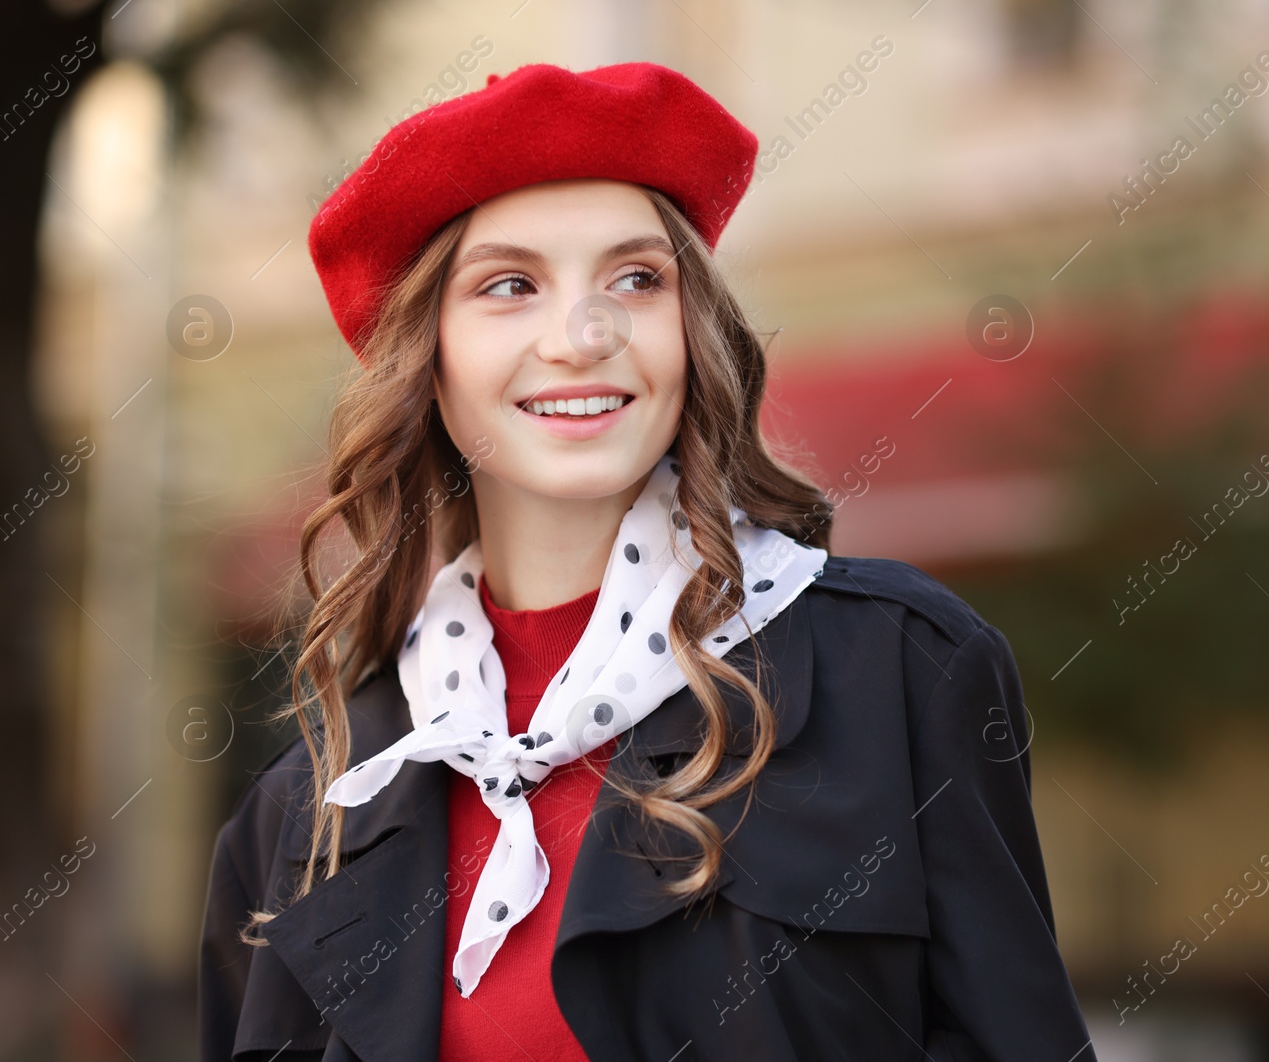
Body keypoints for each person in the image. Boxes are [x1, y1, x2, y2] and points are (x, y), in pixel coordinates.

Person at [197, 60, 1096, 1062]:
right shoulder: (307, 805)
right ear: (428, 363)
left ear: (690, 332)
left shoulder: (899, 669)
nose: (585, 336)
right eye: (509, 285)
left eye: (636, 277)